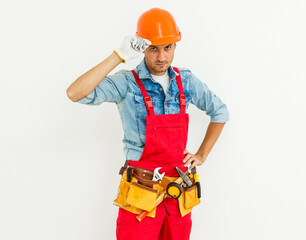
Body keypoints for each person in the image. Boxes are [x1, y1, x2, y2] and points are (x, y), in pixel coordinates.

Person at [66, 7, 229, 240]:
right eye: (153, 48)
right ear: (143, 47)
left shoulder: (187, 82)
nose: (161, 57)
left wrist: (202, 155)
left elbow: (220, 112)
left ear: (175, 45)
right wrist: (117, 56)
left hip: (178, 194)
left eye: (168, 47)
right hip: (140, 195)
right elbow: (75, 93)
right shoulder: (126, 83)